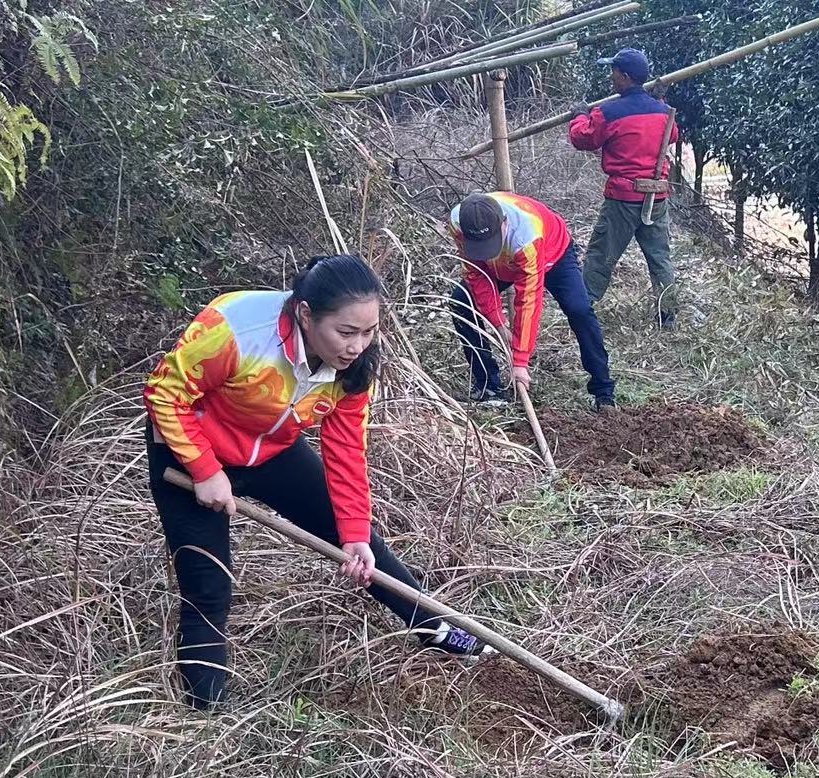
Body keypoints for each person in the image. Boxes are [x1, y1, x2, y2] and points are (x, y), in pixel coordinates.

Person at [143, 255, 487, 708]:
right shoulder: (233, 329)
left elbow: (346, 449)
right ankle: (207, 710)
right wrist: (205, 471)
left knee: (367, 546)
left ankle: (434, 626)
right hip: (188, 453)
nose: (357, 346)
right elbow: (166, 393)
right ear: (305, 314)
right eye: (346, 333)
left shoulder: (355, 366)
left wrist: (354, 533)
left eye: (368, 332)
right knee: (208, 581)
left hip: (274, 451)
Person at [448, 191, 616, 411]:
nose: (487, 251)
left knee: (580, 310)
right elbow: (476, 274)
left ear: (504, 224)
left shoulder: (527, 234)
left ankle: (603, 391)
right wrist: (498, 323)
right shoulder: (459, 223)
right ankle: (488, 386)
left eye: (491, 242)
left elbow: (528, 300)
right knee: (461, 302)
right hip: (500, 266)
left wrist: (520, 361)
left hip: (552, 255)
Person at [569, 47, 678, 327]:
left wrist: (579, 116)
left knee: (601, 256)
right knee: (660, 258)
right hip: (657, 196)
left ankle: (583, 309)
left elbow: (584, 139)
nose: (611, 76)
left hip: (623, 199)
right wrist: (659, 100)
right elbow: (672, 136)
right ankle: (668, 318)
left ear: (625, 76)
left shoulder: (607, 112)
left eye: (614, 71)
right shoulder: (664, 112)